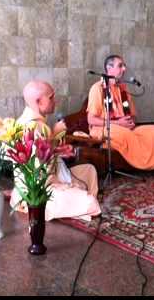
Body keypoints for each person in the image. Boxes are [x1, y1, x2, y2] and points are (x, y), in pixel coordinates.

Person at [9, 80, 101, 221]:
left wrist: (59, 149)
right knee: (90, 203)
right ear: (39, 101)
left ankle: (74, 196)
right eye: (51, 97)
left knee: (89, 170)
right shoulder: (30, 126)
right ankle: (73, 198)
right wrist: (54, 135)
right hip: (38, 190)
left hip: (54, 177)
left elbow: (45, 154)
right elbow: (38, 169)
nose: (55, 101)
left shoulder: (39, 123)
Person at [86, 54, 154, 181]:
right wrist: (119, 123)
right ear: (109, 68)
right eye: (120, 66)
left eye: (124, 66)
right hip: (103, 130)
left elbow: (131, 115)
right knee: (126, 134)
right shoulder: (97, 89)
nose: (124, 69)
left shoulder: (123, 88)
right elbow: (91, 120)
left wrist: (130, 122)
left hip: (125, 127)